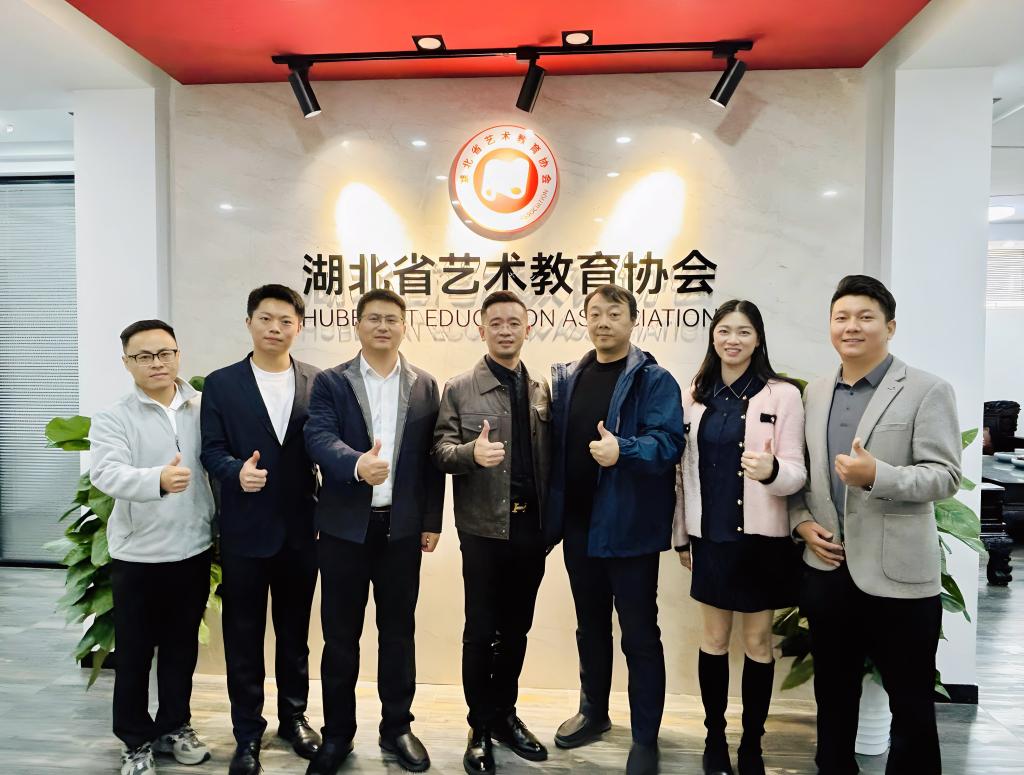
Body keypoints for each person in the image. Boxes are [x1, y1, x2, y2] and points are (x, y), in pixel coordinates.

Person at [790, 275, 962, 775]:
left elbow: (946, 476)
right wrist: (802, 523)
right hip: (829, 570)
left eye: (865, 317)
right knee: (833, 697)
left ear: (889, 327)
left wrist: (877, 476)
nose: (852, 326)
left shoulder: (927, 390)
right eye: (841, 317)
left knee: (911, 704)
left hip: (899, 577)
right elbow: (804, 473)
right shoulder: (816, 393)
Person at [304, 288, 445, 775]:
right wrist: (355, 464)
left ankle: (397, 727)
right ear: (358, 325)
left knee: (398, 633)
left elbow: (431, 458)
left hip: (401, 531)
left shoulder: (425, 384)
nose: (383, 326)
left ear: (404, 326)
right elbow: (317, 437)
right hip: (344, 530)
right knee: (340, 638)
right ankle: (337, 735)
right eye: (373, 318)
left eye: (392, 319)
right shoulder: (331, 381)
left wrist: (431, 521)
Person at [546, 284, 685, 775]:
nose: (603, 321)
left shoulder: (654, 379)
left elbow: (668, 443)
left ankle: (645, 736)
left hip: (629, 530)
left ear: (632, 320)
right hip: (579, 528)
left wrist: (621, 449)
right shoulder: (569, 378)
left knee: (640, 634)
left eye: (614, 313)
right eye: (595, 313)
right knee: (590, 627)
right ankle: (594, 712)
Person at [672, 300, 806, 775]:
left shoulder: (782, 395)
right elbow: (681, 475)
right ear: (713, 337)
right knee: (713, 638)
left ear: (758, 339)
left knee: (758, 643)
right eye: (725, 330)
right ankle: (714, 739)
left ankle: (752, 743)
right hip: (710, 537)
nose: (733, 340)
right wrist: (682, 536)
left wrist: (772, 470)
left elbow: (797, 473)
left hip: (761, 541)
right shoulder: (694, 395)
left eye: (744, 331)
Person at [200, 285, 322, 774]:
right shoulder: (222, 383)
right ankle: (247, 732)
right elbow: (210, 450)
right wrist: (236, 472)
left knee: (295, 634)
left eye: (286, 320)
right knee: (243, 636)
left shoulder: (317, 381)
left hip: (302, 531)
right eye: (266, 318)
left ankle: (294, 719)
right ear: (249, 322)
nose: (275, 328)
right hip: (245, 531)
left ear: (299, 327)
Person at [432, 290, 551, 775]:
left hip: (531, 529)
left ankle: (505, 715)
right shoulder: (460, 388)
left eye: (514, 322)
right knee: (480, 631)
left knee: (517, 629)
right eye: (496, 322)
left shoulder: (542, 389)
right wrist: (469, 454)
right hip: (482, 529)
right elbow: (439, 451)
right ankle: (479, 726)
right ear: (481, 329)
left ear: (528, 328)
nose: (505, 330)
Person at [90, 320, 214, 775]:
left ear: (178, 355)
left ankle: (174, 726)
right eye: (144, 356)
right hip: (138, 555)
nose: (157, 363)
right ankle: (135, 741)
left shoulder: (201, 407)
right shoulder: (114, 417)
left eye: (165, 353)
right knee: (135, 656)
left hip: (193, 548)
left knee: (182, 650)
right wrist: (156, 479)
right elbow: (106, 473)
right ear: (127, 363)